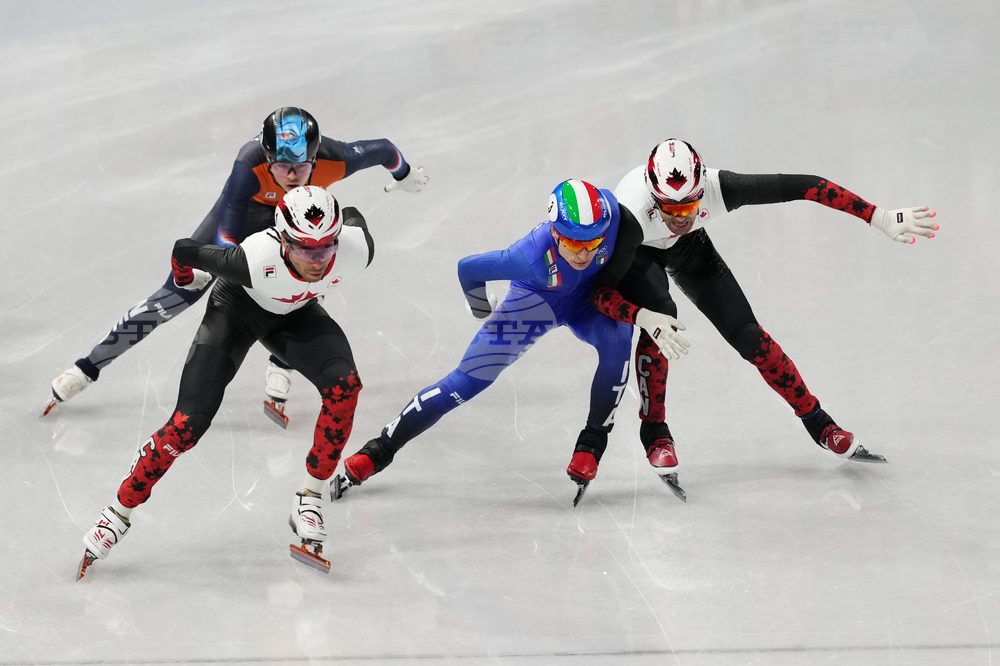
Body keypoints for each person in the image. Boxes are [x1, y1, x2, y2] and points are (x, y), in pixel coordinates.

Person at [589, 138, 938, 497]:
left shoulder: (720, 188)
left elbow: (805, 186)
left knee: (750, 336)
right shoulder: (629, 216)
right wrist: (642, 316)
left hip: (691, 249)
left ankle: (820, 424)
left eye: (689, 207)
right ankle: (655, 430)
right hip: (639, 255)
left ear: (702, 190)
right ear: (652, 198)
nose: (679, 218)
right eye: (669, 210)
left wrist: (876, 216)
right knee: (664, 317)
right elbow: (599, 293)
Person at [46, 107, 428, 423]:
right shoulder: (249, 162)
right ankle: (87, 367)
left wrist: (404, 174)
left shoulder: (336, 158)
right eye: (281, 166)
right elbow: (227, 235)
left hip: (293, 228)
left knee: (312, 273)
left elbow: (384, 150)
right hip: (242, 222)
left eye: (302, 167)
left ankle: (282, 361)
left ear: (316, 158)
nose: (292, 177)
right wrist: (218, 270)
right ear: (266, 157)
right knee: (174, 298)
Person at [78, 185, 375, 578]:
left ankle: (310, 497)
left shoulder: (356, 249)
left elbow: (353, 214)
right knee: (187, 425)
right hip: (236, 310)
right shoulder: (251, 259)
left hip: (296, 316)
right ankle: (117, 512)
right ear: (283, 240)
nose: (318, 261)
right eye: (305, 250)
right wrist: (186, 278)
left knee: (345, 388)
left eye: (325, 249)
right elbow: (184, 249)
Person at [335, 179, 690, 507]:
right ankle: (378, 450)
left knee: (617, 347)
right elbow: (468, 268)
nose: (583, 254)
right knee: (465, 382)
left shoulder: (611, 216)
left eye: (593, 243)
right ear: (554, 232)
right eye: (572, 244)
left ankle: (592, 442)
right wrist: (480, 309)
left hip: (591, 301)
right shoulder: (528, 255)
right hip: (535, 304)